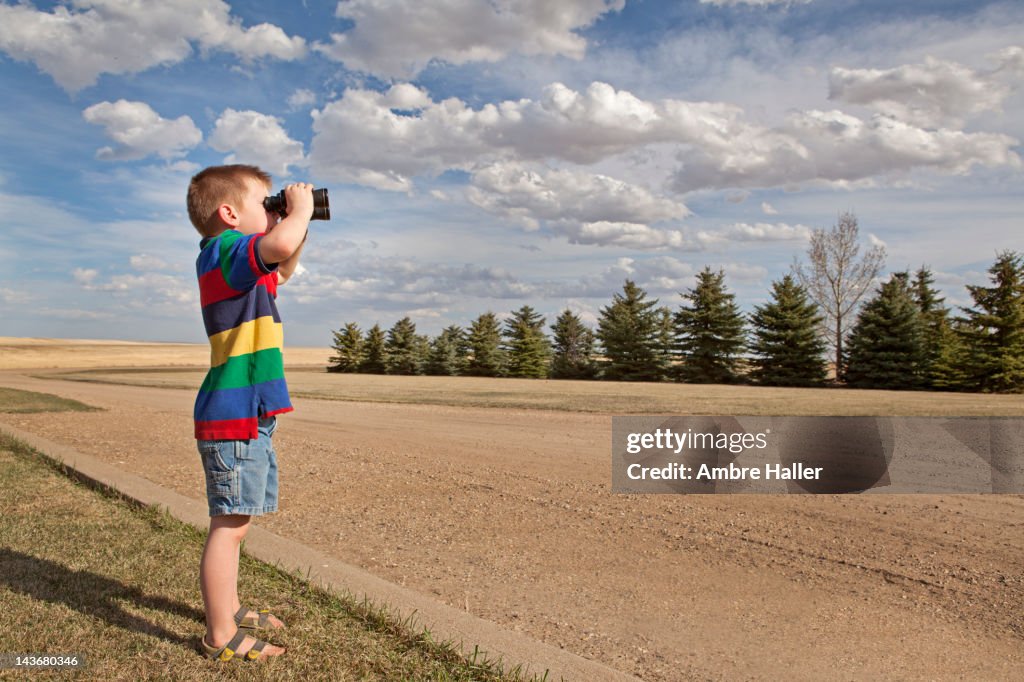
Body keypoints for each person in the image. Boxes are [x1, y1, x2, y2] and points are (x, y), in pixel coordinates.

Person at [186, 164, 312, 662]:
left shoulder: (240, 265)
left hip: (247, 413)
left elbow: (282, 264)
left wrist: (292, 220)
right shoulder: (223, 252)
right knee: (229, 525)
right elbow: (277, 248)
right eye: (266, 203)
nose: (273, 210)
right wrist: (298, 211)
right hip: (233, 414)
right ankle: (221, 634)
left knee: (238, 522)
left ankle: (232, 607)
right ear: (230, 213)